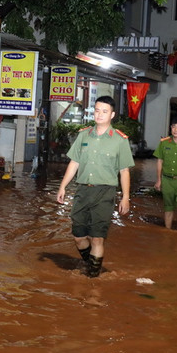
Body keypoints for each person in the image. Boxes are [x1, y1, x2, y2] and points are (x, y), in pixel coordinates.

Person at [56, 96, 134, 278]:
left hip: (105, 193)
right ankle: (90, 262)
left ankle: (93, 277)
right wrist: (62, 187)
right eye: (97, 110)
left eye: (104, 111)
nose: (99, 114)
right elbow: (74, 163)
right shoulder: (83, 135)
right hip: (83, 191)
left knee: (98, 237)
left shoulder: (120, 140)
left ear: (112, 114)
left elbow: (124, 171)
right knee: (79, 237)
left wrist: (125, 197)